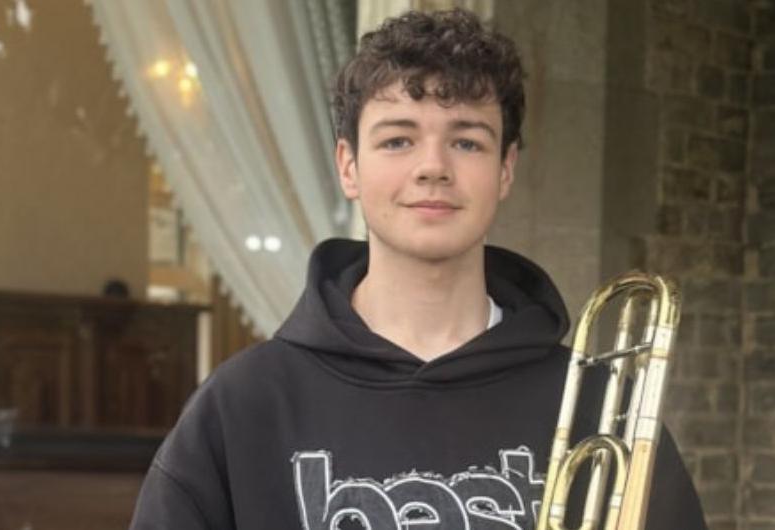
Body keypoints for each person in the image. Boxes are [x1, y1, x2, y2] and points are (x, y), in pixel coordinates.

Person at [130, 9, 707, 529]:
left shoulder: (600, 408)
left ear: (506, 169)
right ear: (348, 165)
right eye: (398, 140)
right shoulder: (244, 404)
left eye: (468, 143)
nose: (433, 167)